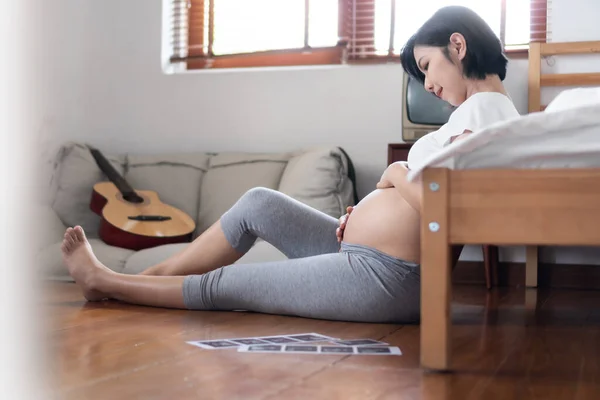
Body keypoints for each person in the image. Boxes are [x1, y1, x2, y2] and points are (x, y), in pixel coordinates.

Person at [61, 6, 520, 323]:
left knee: (225, 286)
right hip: (366, 255)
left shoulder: (489, 115)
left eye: (426, 65)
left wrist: (396, 176)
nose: (428, 85)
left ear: (457, 46)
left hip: (388, 277)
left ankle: (107, 282)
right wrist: (359, 218)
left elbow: (452, 216)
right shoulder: (476, 116)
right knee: (259, 203)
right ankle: (141, 280)